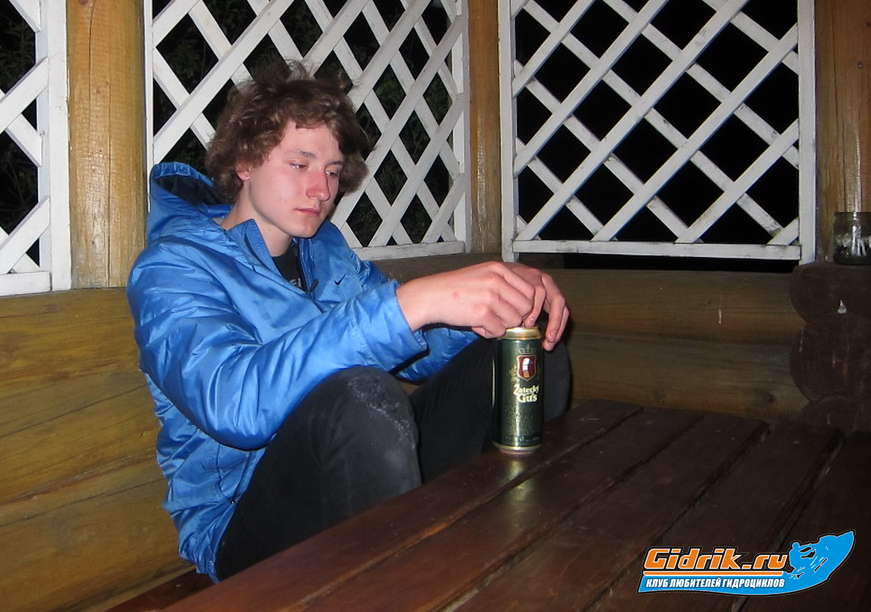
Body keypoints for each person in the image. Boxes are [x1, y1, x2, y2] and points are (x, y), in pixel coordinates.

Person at [127, 61, 571, 581]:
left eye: (333, 171)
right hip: (243, 520)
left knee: (524, 354)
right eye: (300, 164)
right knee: (360, 396)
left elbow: (417, 352)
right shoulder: (172, 268)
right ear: (244, 161)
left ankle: (519, 549)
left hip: (362, 475)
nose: (322, 190)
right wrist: (412, 302)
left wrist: (494, 304)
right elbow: (234, 403)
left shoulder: (325, 252)